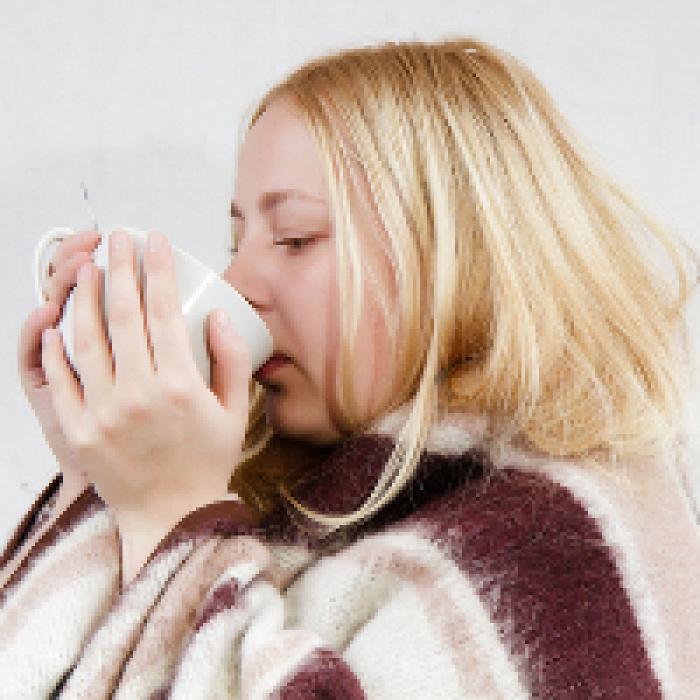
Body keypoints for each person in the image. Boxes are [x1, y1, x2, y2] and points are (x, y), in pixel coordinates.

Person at [2, 36, 699, 698]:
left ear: (458, 263)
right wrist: (97, 478)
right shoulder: (310, 507)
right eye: (238, 240)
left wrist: (169, 513)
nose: (238, 282)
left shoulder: (563, 552)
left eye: (295, 238)